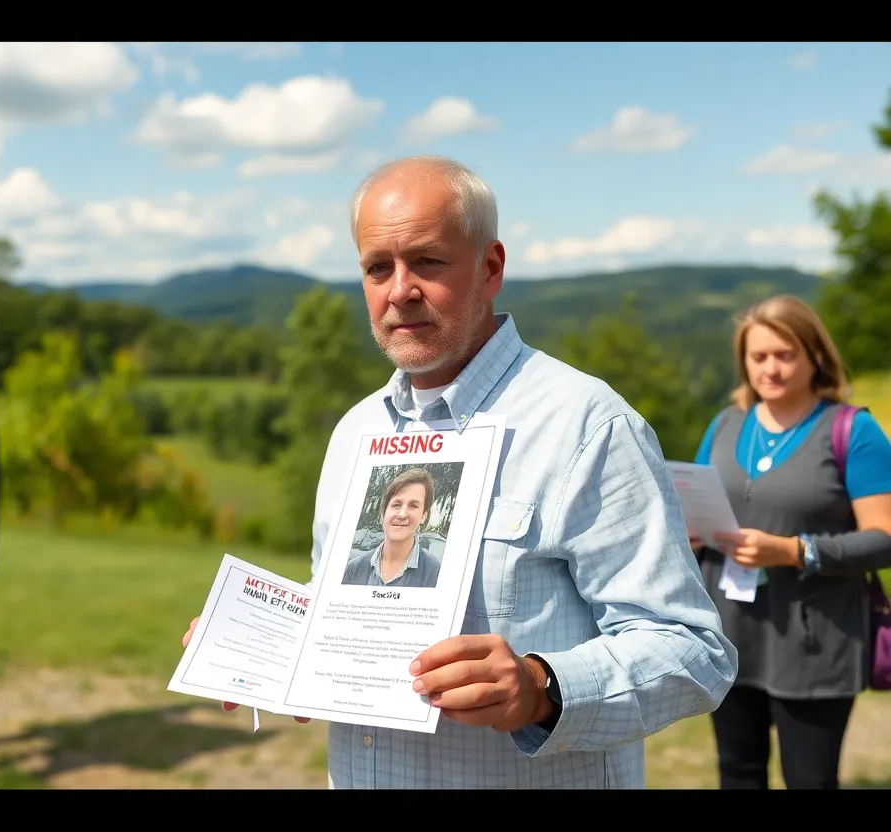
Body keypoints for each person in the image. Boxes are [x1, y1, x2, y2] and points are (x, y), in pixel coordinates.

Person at [182, 155, 736, 788]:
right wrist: (268, 643)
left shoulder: (587, 425)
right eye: (376, 268)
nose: (399, 290)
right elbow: (349, 614)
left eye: (429, 261)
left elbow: (694, 651)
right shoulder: (355, 432)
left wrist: (540, 687)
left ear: (491, 267)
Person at [688, 295, 891, 790]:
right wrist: (688, 537)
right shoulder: (725, 425)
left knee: (811, 780)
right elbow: (694, 503)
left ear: (814, 356)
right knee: (737, 774)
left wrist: (794, 551)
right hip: (731, 637)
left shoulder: (853, 430)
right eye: (759, 357)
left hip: (816, 642)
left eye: (785, 354)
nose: (771, 369)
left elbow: (885, 539)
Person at [342, 467, 442, 588]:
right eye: (396, 504)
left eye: (413, 506)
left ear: (423, 516)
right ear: (384, 511)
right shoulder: (354, 568)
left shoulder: (437, 574)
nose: (402, 514)